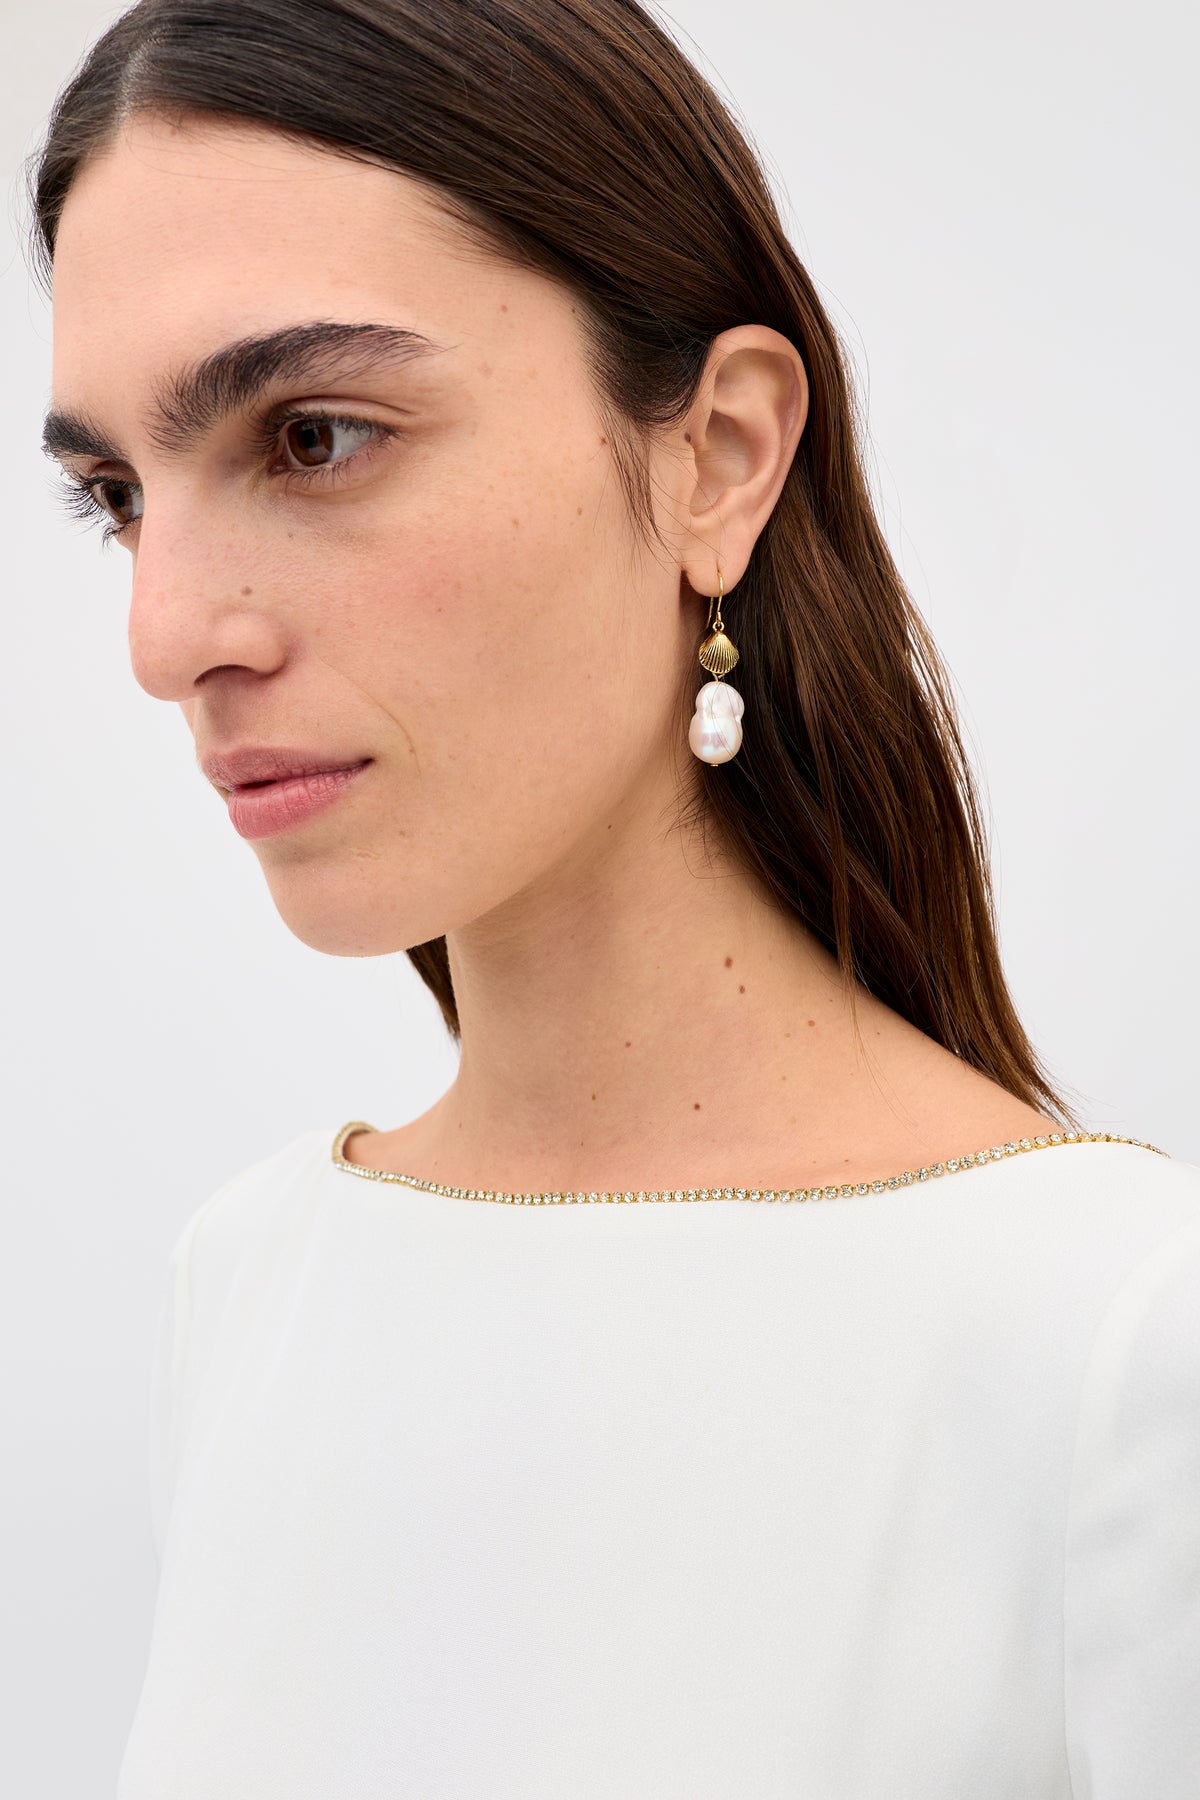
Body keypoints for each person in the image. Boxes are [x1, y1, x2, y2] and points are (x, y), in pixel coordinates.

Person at [32, 1, 1199, 1794]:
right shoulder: (255, 1284)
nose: (167, 635)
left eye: (314, 438)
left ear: (718, 454)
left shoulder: (1123, 1344)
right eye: (119, 492)